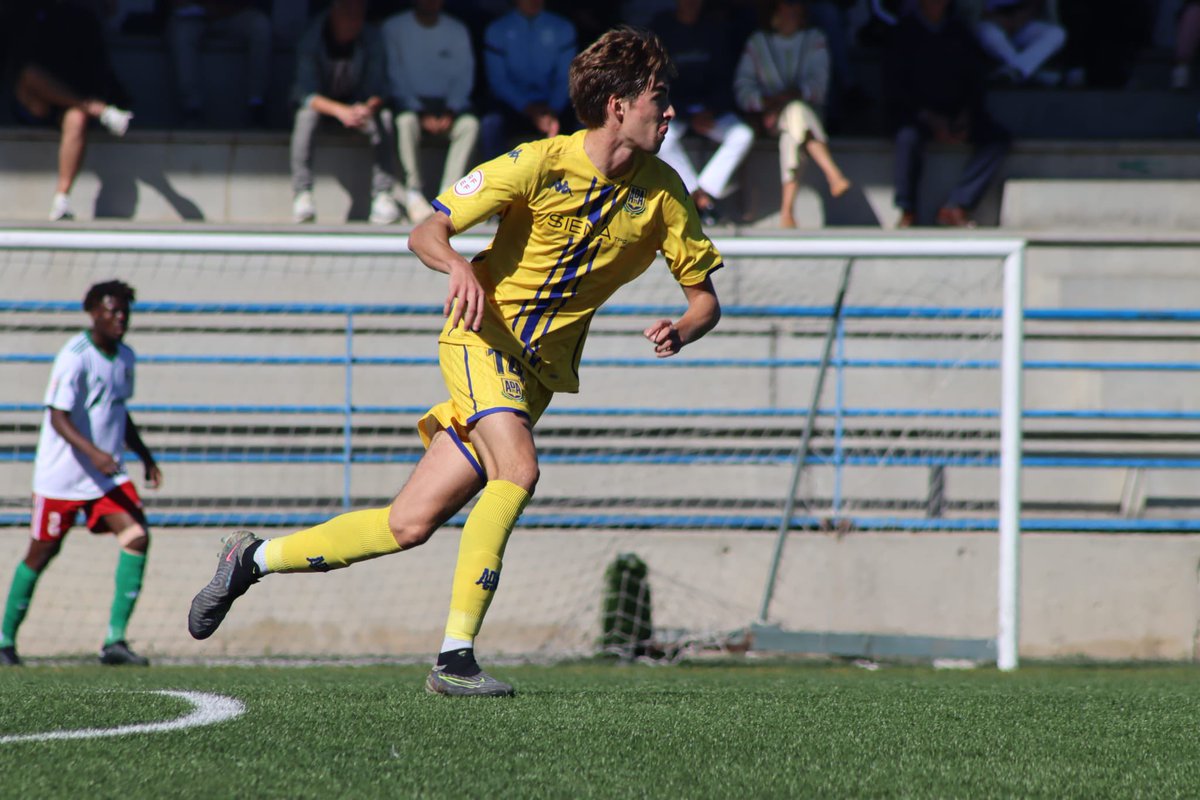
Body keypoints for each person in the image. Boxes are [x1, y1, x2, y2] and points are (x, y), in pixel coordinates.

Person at [187, 26, 724, 697]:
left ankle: (251, 559)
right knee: (518, 470)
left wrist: (684, 329)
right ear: (618, 105)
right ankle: (455, 658)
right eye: (658, 98)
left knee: (407, 524)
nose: (669, 112)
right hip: (480, 339)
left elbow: (705, 300)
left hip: (535, 379)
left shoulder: (666, 193)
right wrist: (458, 268)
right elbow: (427, 230)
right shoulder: (537, 162)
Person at [0, 281, 162, 668]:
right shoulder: (74, 356)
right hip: (62, 478)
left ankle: (114, 642)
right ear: (93, 313)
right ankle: (4, 640)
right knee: (42, 552)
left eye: (124, 311)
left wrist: (145, 456)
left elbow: (117, 411)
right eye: (111, 311)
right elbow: (57, 416)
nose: (119, 318)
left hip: (104, 478)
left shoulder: (126, 357)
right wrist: (95, 453)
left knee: (137, 536)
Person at [884, 0, 1010, 227]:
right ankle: (907, 210)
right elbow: (894, 86)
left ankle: (956, 205)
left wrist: (966, 115)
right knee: (907, 138)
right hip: (916, 114)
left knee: (997, 138)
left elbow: (975, 79)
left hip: (956, 112)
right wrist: (928, 116)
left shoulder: (959, 32)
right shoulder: (904, 32)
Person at [10, 1, 134, 222]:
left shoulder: (84, 21)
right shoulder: (31, 16)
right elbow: (23, 70)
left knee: (77, 119)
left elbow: (97, 71)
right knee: (29, 76)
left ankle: (61, 200)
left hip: (72, 104)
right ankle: (98, 110)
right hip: (35, 103)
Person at [734, 0, 852, 228]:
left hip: (808, 115)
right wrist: (764, 103)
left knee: (794, 123)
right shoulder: (758, 42)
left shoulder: (814, 39)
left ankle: (787, 212)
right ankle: (832, 174)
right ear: (774, 11)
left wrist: (785, 101)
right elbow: (743, 88)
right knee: (795, 117)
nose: (792, 11)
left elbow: (818, 87)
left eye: (796, 6)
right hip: (768, 119)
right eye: (786, 6)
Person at [290, 0, 399, 225]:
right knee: (305, 116)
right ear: (334, 11)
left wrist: (366, 107)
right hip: (324, 108)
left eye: (359, 12)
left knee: (385, 118)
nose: (354, 20)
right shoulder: (312, 36)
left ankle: (383, 195)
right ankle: (303, 193)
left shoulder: (371, 36)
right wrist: (340, 111)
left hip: (359, 108)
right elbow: (305, 93)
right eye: (348, 12)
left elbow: (380, 88)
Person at [651, 0, 755, 224]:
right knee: (662, 139)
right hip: (675, 109)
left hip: (710, 110)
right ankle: (700, 199)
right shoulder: (662, 28)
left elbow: (725, 77)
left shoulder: (714, 29)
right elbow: (656, 80)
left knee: (742, 135)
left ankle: (702, 193)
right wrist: (688, 115)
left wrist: (712, 109)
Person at [382, 0, 480, 225]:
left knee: (470, 125)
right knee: (405, 122)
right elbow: (395, 75)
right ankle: (413, 193)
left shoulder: (457, 29)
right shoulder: (394, 27)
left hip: (448, 108)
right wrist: (418, 110)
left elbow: (464, 75)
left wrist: (452, 108)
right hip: (409, 106)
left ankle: (449, 195)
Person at [479, 0, 577, 159]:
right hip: (513, 105)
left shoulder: (563, 28)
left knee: (584, 117)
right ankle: (493, 174)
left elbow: (565, 77)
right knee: (491, 123)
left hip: (553, 104)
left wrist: (552, 110)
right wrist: (529, 108)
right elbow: (498, 81)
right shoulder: (497, 29)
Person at [165, 0, 272, 127]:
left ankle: (256, 104)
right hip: (192, 15)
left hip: (234, 12)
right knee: (181, 33)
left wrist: (219, 8)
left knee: (260, 26)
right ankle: (191, 108)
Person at [975, 0, 1066, 85]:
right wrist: (999, 20)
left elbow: (1035, 5)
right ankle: (1027, 73)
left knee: (1056, 33)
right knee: (987, 33)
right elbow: (980, 11)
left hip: (1022, 24)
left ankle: (1015, 71)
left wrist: (1018, 20)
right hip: (994, 23)